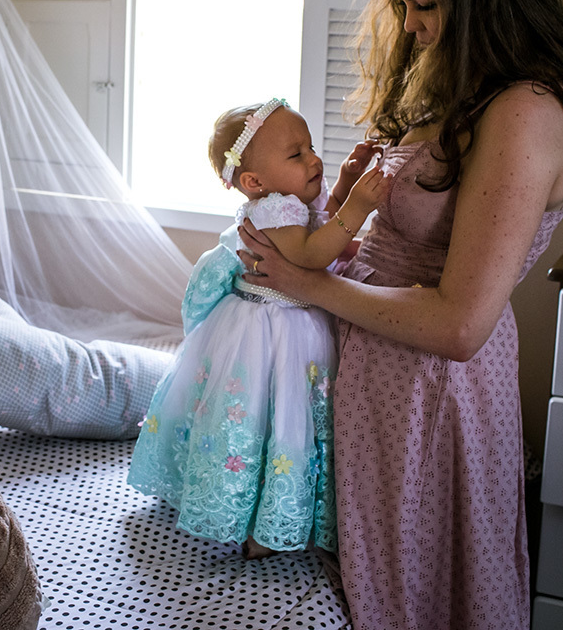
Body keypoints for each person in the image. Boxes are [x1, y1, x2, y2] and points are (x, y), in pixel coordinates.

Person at [237, 0, 563, 627]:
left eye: (425, 4)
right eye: (402, 3)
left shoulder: (525, 113)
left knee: (415, 593)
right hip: (379, 378)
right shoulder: (466, 81)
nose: (411, 25)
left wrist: (303, 283)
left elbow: (458, 324)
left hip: (426, 395)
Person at [128, 97, 391, 559]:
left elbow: (318, 226)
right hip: (272, 331)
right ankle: (258, 521)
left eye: (311, 147)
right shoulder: (271, 211)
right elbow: (312, 253)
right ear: (254, 182)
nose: (313, 159)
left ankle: (271, 512)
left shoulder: (287, 203)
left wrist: (345, 185)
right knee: (269, 418)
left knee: (281, 421)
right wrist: (359, 208)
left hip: (290, 321)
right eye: (296, 154)